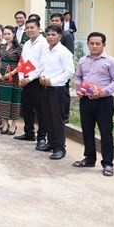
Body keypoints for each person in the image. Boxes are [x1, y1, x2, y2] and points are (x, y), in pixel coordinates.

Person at [73, 32, 114, 176]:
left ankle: (108, 163)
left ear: (103, 45)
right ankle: (89, 158)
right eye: (91, 43)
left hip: (103, 102)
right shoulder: (83, 61)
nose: (94, 46)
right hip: (86, 100)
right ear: (87, 44)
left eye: (97, 43)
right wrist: (79, 88)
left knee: (105, 132)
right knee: (87, 130)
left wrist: (102, 92)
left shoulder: (111, 61)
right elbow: (78, 77)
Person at [37, 25, 75, 160]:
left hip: (58, 89)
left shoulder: (63, 52)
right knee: (47, 117)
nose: (50, 37)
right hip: (45, 88)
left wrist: (52, 81)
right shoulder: (46, 50)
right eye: (48, 35)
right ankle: (51, 143)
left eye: (53, 35)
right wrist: (41, 77)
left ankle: (60, 147)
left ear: (59, 36)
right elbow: (41, 66)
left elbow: (69, 71)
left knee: (57, 119)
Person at [14, 19, 48, 146]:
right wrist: (21, 77)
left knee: (40, 110)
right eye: (27, 28)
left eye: (32, 27)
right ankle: (29, 133)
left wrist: (30, 78)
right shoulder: (27, 44)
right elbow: (22, 61)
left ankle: (41, 137)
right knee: (27, 108)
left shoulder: (43, 43)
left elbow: (42, 64)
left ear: (38, 28)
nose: (29, 30)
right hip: (25, 79)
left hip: (37, 80)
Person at [0, 26, 22, 135]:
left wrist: (12, 73)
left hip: (13, 76)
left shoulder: (19, 47)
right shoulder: (1, 46)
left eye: (8, 34)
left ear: (13, 34)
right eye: (4, 34)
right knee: (3, 100)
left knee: (14, 100)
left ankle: (14, 124)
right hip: (2, 76)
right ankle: (5, 123)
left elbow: (21, 63)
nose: (6, 36)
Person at [50, 12, 75, 123]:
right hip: (52, 70)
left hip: (63, 69)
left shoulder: (66, 35)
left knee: (64, 93)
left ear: (62, 22)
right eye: (53, 20)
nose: (55, 22)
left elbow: (70, 52)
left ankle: (65, 115)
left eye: (57, 20)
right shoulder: (49, 35)